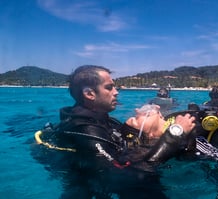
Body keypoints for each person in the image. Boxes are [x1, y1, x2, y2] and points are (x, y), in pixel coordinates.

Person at [31, 65, 196, 199]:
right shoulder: (84, 129)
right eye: (109, 87)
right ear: (89, 94)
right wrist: (176, 133)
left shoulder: (103, 120)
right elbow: (122, 176)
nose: (116, 92)